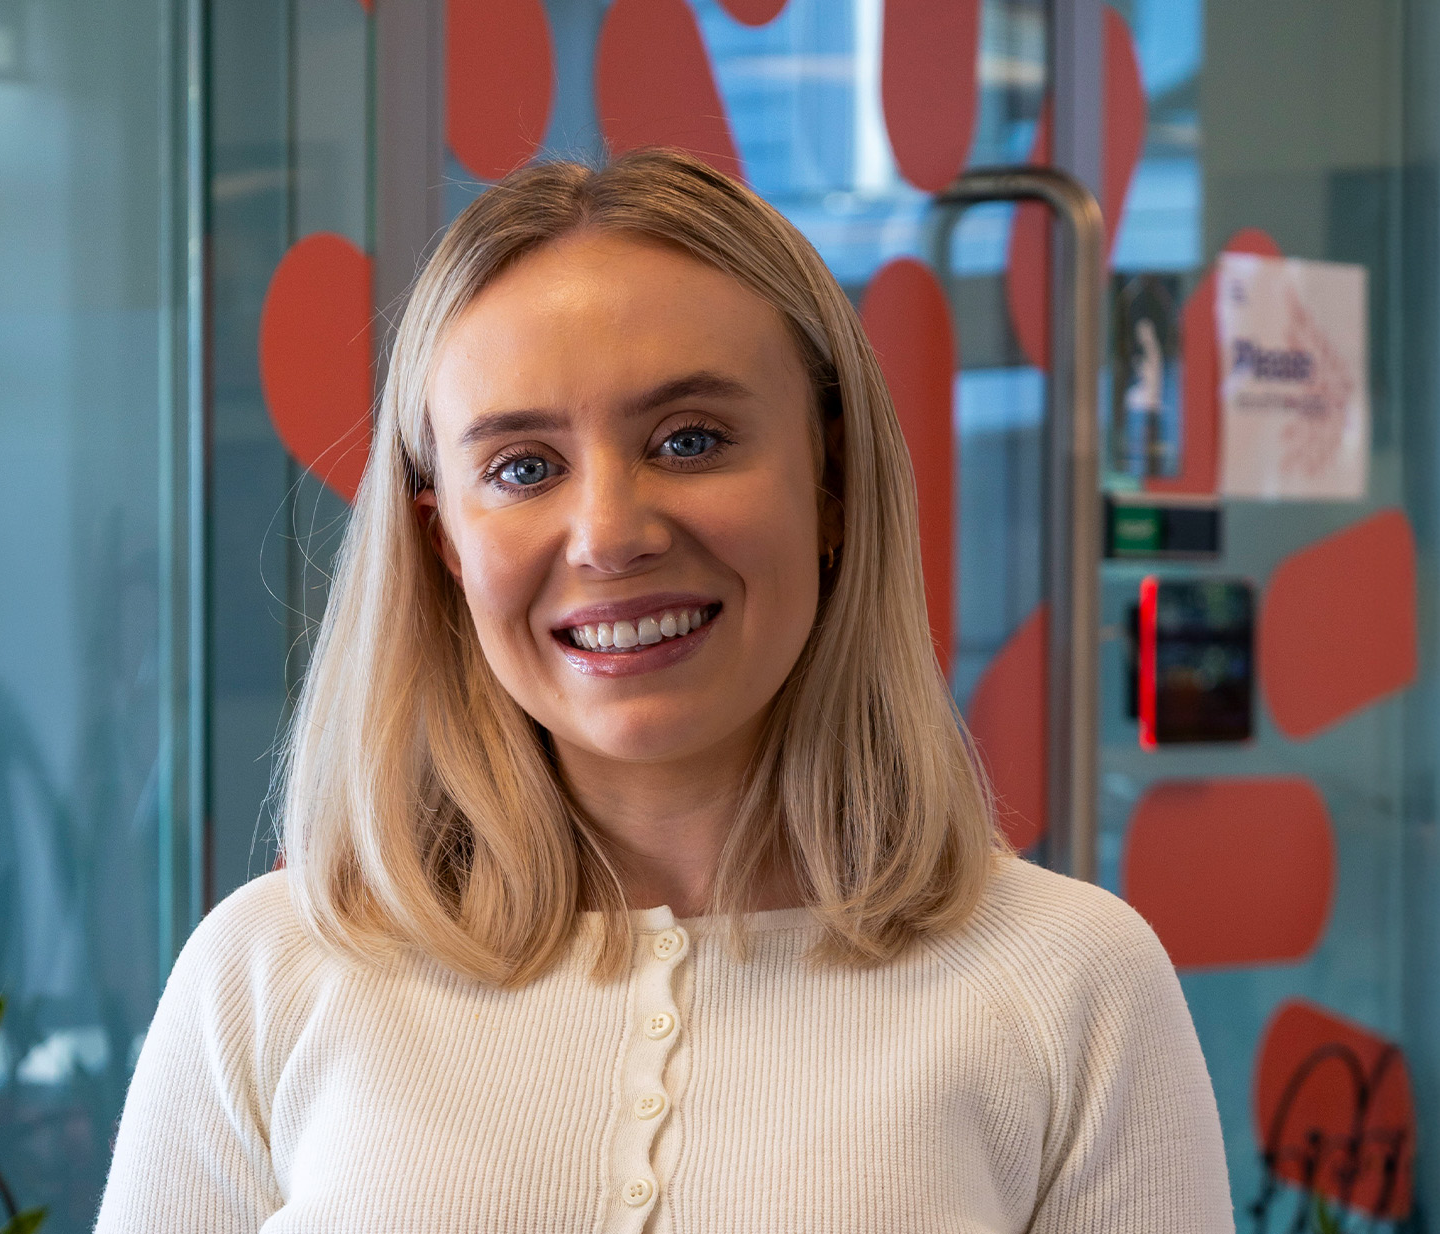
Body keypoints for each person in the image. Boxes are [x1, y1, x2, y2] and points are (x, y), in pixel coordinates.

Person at [95, 149, 1233, 1233]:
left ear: (830, 486)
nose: (608, 535)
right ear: (443, 542)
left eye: (690, 439)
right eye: (523, 467)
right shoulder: (268, 973)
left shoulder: (1073, 981)